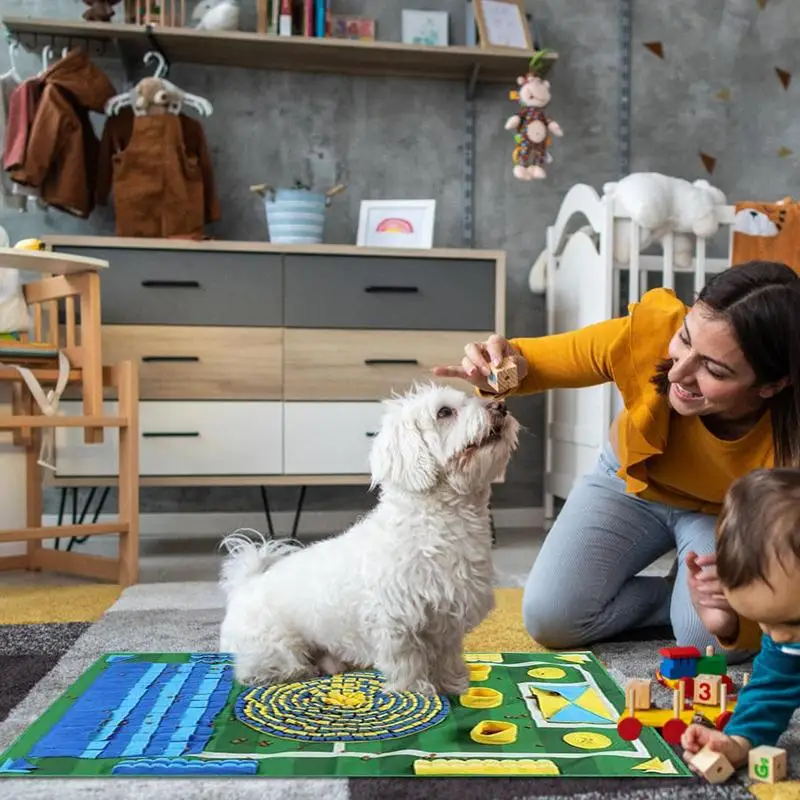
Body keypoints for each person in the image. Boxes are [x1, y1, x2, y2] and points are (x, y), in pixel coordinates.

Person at [433, 260, 800, 655]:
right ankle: (669, 598)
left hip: (727, 513)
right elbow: (532, 362)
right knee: (550, 619)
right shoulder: (650, 332)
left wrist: (736, 618)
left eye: (713, 368)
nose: (679, 373)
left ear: (772, 384)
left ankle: (687, 610)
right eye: (685, 339)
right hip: (628, 485)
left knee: (711, 640)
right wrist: (499, 365)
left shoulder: (790, 438)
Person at [682, 468, 800, 771]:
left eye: (794, 623)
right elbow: (773, 686)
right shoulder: (784, 637)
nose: (777, 637)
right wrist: (738, 741)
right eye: (762, 622)